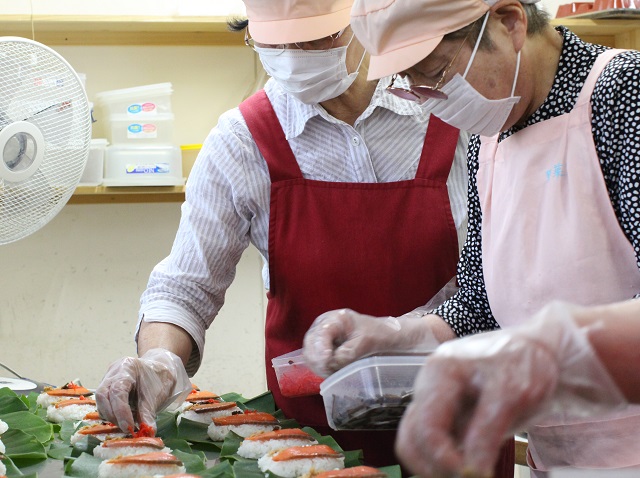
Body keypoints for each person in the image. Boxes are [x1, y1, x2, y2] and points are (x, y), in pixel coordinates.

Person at [94, 0, 473, 469]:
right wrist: (159, 363)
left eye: (317, 40)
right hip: (309, 449)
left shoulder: (455, 111)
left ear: (364, 20)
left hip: (460, 424)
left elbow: (504, 279)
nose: (296, 56)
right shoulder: (243, 140)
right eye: (273, 44)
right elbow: (185, 288)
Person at [303, 0, 640, 475]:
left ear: (510, 22)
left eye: (437, 74)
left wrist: (543, 355)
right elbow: (479, 306)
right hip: (559, 460)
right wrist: (397, 333)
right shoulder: (492, 134)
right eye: (413, 86)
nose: (433, 100)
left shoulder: (623, 94)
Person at [394, 299, 639, 477]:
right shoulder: (485, 225)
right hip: (549, 455)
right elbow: (477, 305)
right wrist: (402, 333)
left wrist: (559, 352)